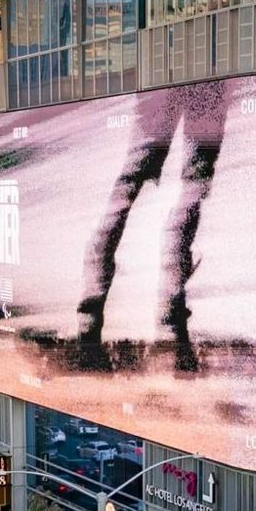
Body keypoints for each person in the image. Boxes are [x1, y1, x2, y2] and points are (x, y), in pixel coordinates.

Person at [74, 81, 232, 374]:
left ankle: (89, 323)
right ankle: (173, 329)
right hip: (209, 75)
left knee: (129, 185)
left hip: (163, 73)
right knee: (192, 190)